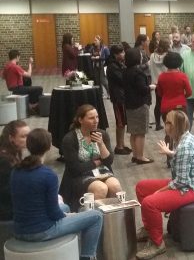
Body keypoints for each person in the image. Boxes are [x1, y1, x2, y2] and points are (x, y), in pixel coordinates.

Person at [11, 129, 103, 260]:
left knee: (65, 207)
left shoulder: (16, 171)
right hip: (42, 231)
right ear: (49, 147)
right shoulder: (48, 175)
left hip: (20, 229)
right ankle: (87, 256)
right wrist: (66, 216)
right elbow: (54, 213)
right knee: (96, 216)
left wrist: (64, 213)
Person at [135, 110, 194, 259]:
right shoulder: (182, 139)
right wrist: (170, 153)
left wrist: (161, 191)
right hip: (186, 182)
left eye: (167, 123)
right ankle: (149, 228)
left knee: (150, 203)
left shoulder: (184, 146)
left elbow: (181, 182)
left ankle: (157, 243)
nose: (165, 125)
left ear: (175, 126)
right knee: (141, 187)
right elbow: (181, 166)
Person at [59, 105, 122, 211]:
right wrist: (96, 163)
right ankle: (96, 221)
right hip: (80, 175)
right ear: (80, 120)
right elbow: (75, 168)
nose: (96, 121)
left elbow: (108, 161)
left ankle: (113, 221)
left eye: (97, 117)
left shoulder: (102, 134)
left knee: (115, 186)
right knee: (100, 188)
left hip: (102, 171)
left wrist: (101, 144)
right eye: (91, 118)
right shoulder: (70, 139)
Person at [156, 52, 192, 167]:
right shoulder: (182, 76)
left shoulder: (161, 77)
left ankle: (169, 158)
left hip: (166, 107)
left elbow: (159, 93)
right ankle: (183, 157)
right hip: (180, 106)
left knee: (169, 132)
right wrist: (181, 97)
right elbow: (189, 92)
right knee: (183, 132)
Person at [124, 48, 154, 164]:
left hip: (129, 104)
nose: (142, 57)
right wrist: (150, 87)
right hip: (140, 105)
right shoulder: (138, 73)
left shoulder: (125, 71)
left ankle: (135, 155)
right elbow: (142, 90)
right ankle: (140, 157)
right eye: (141, 55)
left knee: (133, 132)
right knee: (141, 132)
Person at [106, 45, 131, 155]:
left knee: (123, 122)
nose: (123, 54)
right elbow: (122, 79)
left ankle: (122, 143)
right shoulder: (112, 66)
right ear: (115, 54)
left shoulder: (118, 64)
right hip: (118, 97)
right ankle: (119, 146)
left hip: (122, 95)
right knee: (120, 122)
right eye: (121, 53)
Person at [0, 120, 28, 220]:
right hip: (8, 212)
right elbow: (7, 191)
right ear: (11, 138)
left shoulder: (14, 153)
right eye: (23, 136)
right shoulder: (4, 160)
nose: (28, 139)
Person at [149, 39, 170, 131]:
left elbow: (150, 68)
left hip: (156, 83)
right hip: (167, 82)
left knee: (158, 104)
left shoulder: (152, 55)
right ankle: (168, 122)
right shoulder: (168, 56)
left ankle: (158, 123)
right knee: (168, 104)